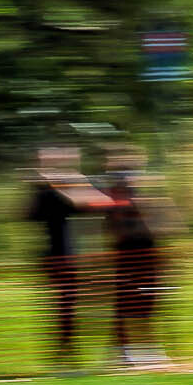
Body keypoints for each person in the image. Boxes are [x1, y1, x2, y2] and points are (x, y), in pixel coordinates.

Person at [23, 147, 116, 373]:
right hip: (60, 256)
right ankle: (66, 353)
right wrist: (41, 188)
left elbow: (102, 203)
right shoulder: (43, 191)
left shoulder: (76, 183)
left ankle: (112, 350)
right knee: (66, 307)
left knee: (92, 306)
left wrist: (64, 186)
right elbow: (27, 215)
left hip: (90, 256)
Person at [102, 146, 171, 367]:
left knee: (147, 302)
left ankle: (144, 349)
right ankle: (122, 351)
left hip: (148, 255)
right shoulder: (117, 197)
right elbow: (115, 228)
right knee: (126, 303)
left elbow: (159, 225)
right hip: (127, 257)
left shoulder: (140, 195)